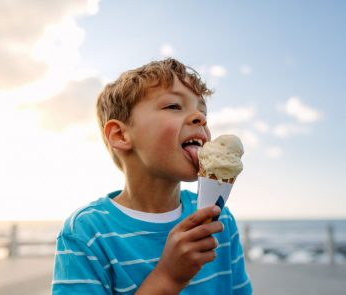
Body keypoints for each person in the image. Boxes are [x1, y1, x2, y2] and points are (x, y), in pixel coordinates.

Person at [52, 58, 252, 294]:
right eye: (174, 106)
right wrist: (168, 277)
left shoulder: (221, 219)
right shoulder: (87, 232)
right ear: (120, 135)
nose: (201, 118)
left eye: (202, 110)